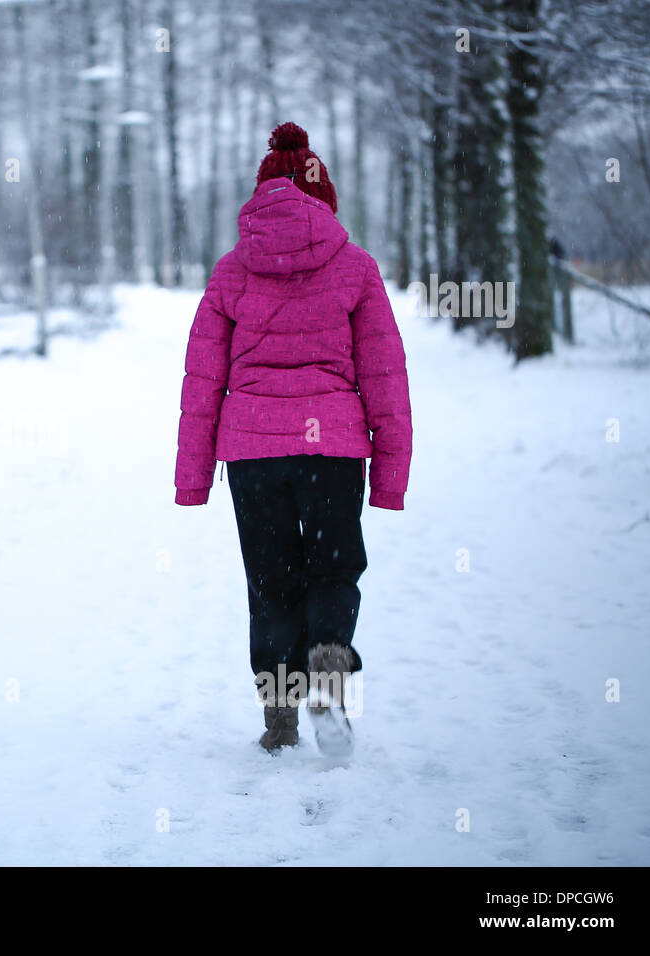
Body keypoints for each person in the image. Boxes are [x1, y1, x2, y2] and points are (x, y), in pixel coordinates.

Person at [173, 122, 412, 756]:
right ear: (322, 195)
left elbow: (202, 383)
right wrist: (389, 476)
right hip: (332, 452)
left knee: (272, 581)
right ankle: (330, 681)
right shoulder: (356, 268)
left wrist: (193, 479)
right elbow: (385, 378)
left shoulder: (231, 272)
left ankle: (279, 718)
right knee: (335, 570)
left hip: (254, 454)